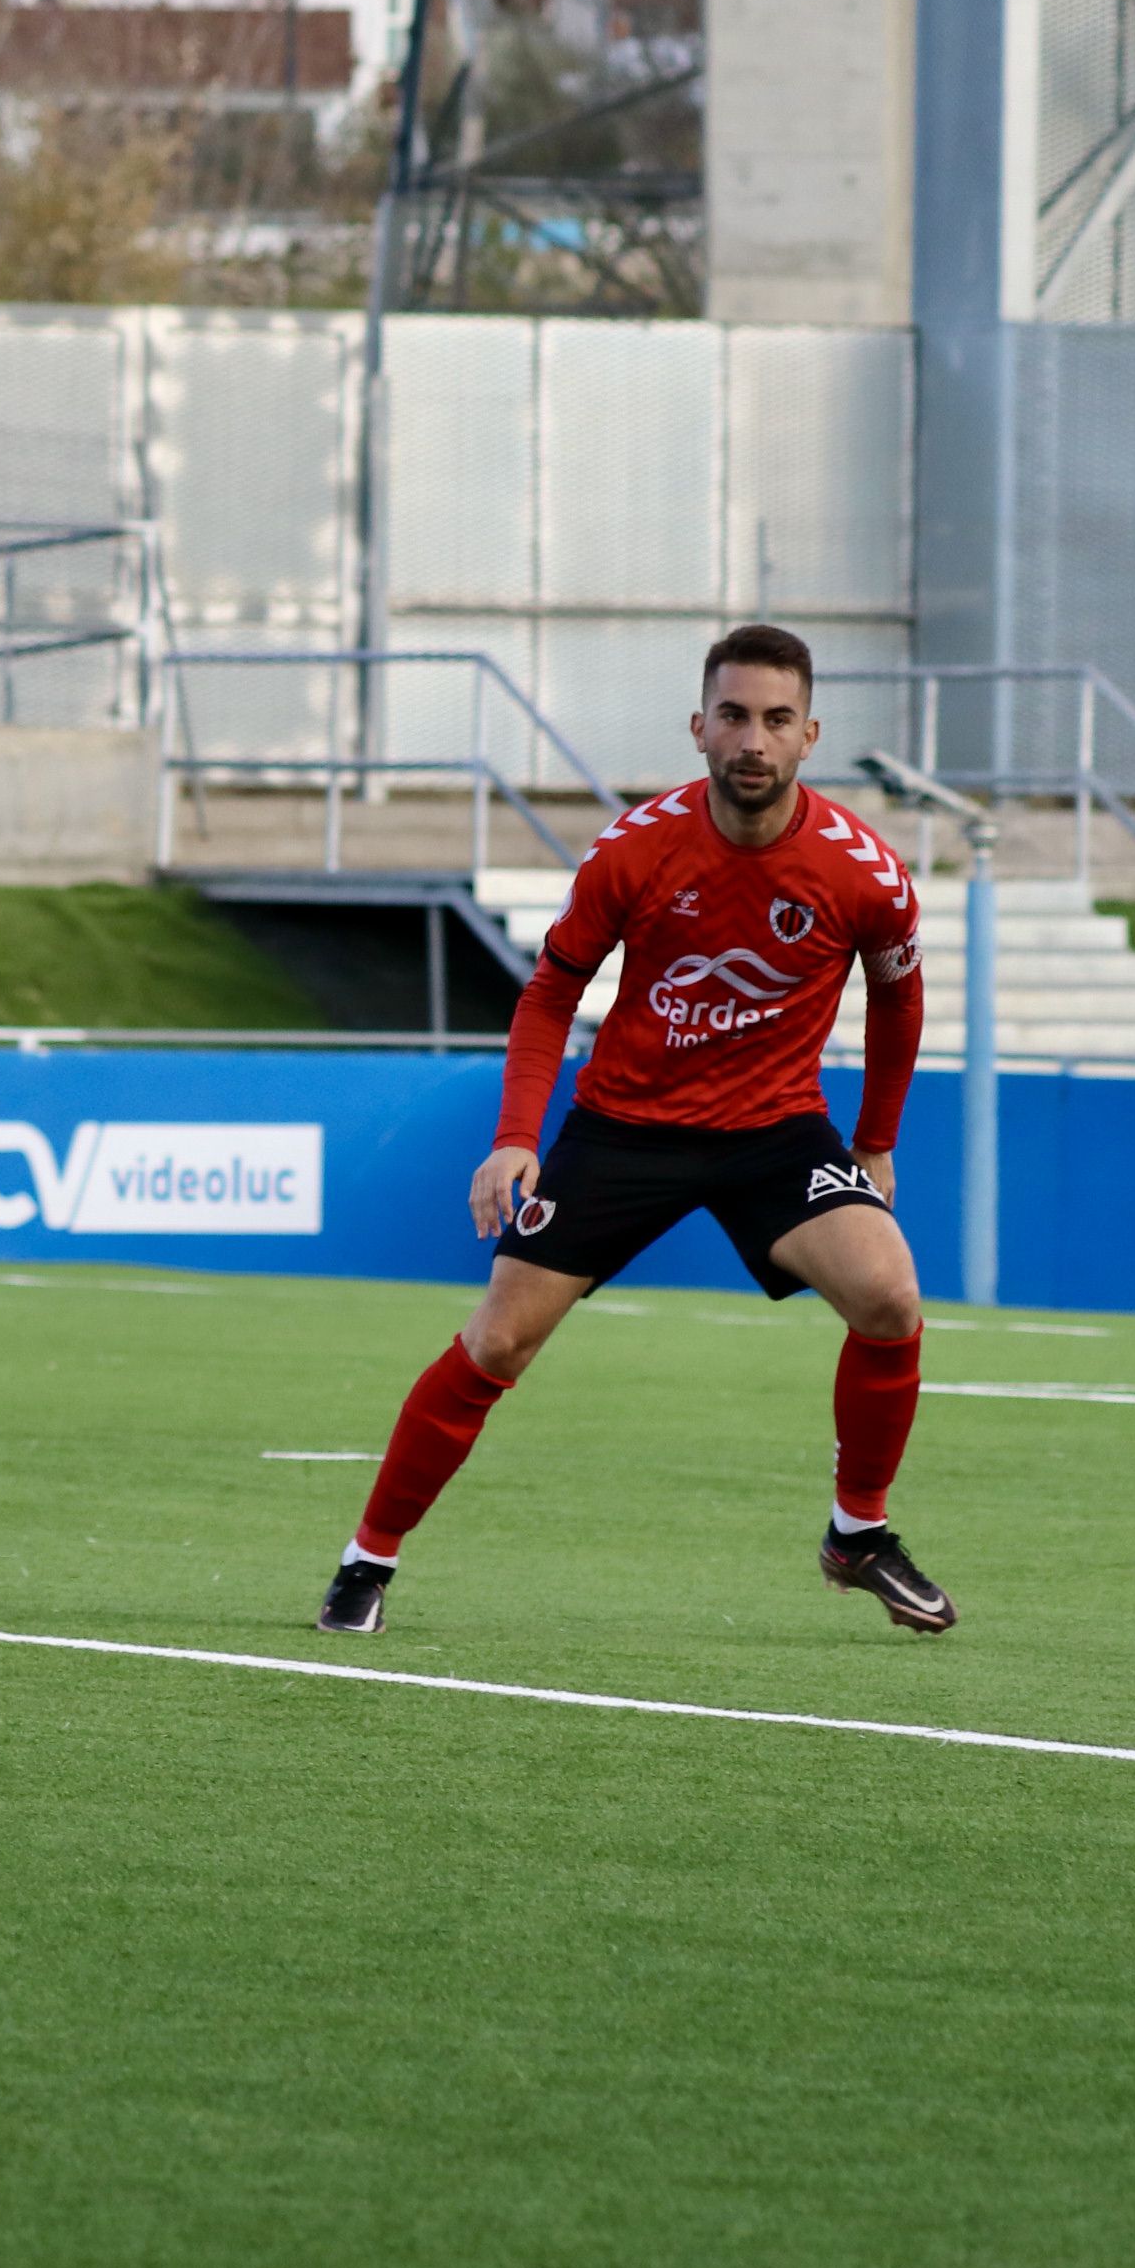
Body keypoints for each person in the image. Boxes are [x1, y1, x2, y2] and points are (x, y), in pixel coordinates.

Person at [317, 623, 954, 1640]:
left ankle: (858, 1535)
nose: (754, 738)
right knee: (499, 1341)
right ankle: (366, 1561)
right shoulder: (639, 848)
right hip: (624, 1128)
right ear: (698, 726)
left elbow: (899, 1002)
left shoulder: (863, 874)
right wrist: (515, 1136)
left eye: (776, 719)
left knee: (889, 1294)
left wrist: (875, 1141)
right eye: (735, 715)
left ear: (810, 735)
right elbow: (551, 988)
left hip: (776, 1131)